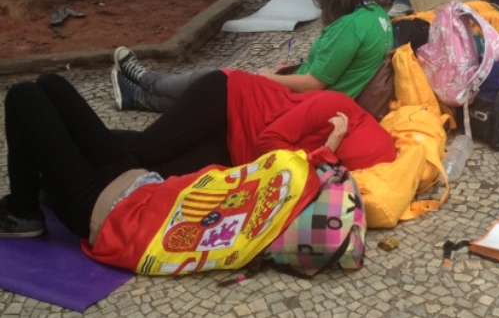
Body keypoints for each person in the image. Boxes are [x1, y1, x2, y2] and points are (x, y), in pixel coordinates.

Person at [0, 74, 347, 271]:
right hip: (141, 180)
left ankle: (24, 211)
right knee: (51, 85)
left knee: (24, 96)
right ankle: (32, 197)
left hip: (105, 212)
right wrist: (329, 145)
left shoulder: (256, 228)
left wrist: (328, 148)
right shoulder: (281, 189)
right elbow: (305, 169)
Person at [111, 0, 394, 113]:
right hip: (315, 99)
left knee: (217, 81)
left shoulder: (350, 27)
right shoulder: (376, 16)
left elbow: (313, 84)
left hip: (302, 103)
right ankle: (138, 94)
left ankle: (144, 83)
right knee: (216, 94)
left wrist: (267, 78)